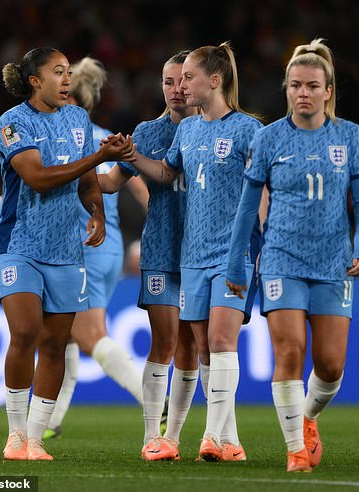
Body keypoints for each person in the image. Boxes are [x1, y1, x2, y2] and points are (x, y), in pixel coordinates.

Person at [226, 38, 359, 472]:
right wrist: (237, 262)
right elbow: (246, 209)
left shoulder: (349, 135)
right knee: (289, 351)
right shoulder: (268, 138)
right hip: (280, 259)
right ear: (286, 89)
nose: (302, 93)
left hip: (333, 263)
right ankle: (295, 450)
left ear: (328, 91)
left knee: (330, 367)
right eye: (295, 85)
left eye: (312, 85)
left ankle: (307, 418)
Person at [0, 56, 150, 442]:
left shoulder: (77, 121)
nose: (66, 79)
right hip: (20, 244)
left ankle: (39, 431)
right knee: (27, 332)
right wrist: (99, 157)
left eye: (68, 72)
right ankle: (17, 434)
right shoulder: (12, 121)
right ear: (33, 81)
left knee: (59, 342)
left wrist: (96, 210)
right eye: (57, 73)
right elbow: (38, 178)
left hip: (69, 248)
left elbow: (89, 180)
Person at [122, 42, 263, 462]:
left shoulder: (248, 130)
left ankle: (212, 436)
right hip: (191, 255)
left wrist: (266, 240)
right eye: (176, 79)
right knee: (203, 348)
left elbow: (264, 188)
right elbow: (167, 172)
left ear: (214, 81)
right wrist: (131, 156)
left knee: (221, 340)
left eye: (188, 77)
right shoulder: (187, 130)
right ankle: (228, 440)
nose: (181, 86)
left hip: (232, 254)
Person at [97, 50, 200, 461]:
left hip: (201, 251)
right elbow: (108, 184)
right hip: (160, 248)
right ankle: (150, 438)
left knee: (191, 348)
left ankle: (173, 436)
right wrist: (92, 161)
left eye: (183, 81)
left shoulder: (214, 131)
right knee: (166, 340)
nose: (176, 90)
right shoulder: (147, 132)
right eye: (167, 82)